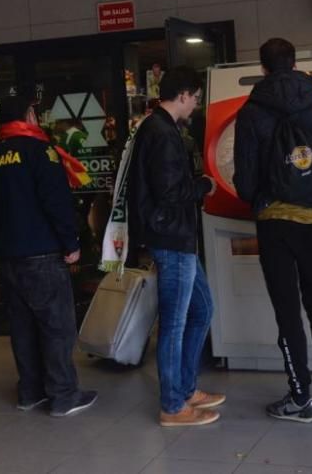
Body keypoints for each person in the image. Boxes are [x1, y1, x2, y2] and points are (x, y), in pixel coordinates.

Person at [233, 37, 312, 423]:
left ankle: (300, 397)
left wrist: (258, 199)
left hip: (275, 224)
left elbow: (245, 177)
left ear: (263, 68)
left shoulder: (250, 112)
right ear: (296, 62)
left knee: (287, 309)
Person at [0, 95, 97, 418]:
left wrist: (0, 243)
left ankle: (30, 392)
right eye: (34, 112)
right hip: (42, 256)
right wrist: (70, 244)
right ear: (28, 115)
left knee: (23, 327)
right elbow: (56, 202)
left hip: (10, 259)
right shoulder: (41, 152)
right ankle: (64, 395)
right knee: (57, 327)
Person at [127, 66, 224, 427]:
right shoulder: (162, 133)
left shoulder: (159, 128)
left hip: (177, 237)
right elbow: (170, 193)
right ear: (182, 95)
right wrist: (204, 185)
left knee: (202, 310)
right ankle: (172, 405)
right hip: (172, 238)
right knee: (175, 322)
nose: (196, 106)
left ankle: (185, 388)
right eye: (196, 98)